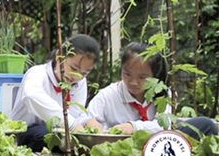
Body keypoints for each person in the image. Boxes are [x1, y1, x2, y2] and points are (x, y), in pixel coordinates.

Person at [87, 42, 218, 138]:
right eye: (127, 74)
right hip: (122, 149)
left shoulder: (162, 93)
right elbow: (87, 118)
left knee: (206, 124)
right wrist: (94, 126)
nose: (133, 82)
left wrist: (133, 127)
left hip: (159, 143)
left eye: (142, 77)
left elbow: (164, 125)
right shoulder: (107, 95)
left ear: (155, 75)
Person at [10, 34, 102, 152]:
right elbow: (31, 95)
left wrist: (87, 122)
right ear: (59, 56)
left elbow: (75, 114)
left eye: (84, 73)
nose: (77, 76)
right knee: (45, 135)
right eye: (73, 68)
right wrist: (72, 125)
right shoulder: (37, 73)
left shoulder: (80, 82)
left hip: (59, 132)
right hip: (25, 132)